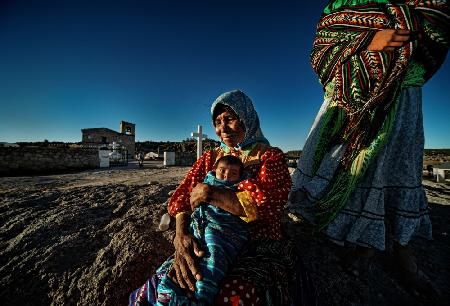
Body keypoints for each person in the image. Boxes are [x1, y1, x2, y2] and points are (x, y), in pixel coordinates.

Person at [288, 0, 448, 288]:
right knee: (344, 159)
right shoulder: (344, 4)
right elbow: (322, 47)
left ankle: (394, 245)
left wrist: (408, 29)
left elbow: (438, 20)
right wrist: (368, 40)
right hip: (349, 96)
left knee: (395, 164)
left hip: (402, 89)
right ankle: (351, 234)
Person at [130, 90, 316, 305]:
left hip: (255, 241)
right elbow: (182, 196)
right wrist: (180, 236)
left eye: (229, 119)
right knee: (165, 284)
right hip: (204, 236)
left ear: (246, 118)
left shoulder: (270, 156)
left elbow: (265, 207)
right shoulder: (211, 157)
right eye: (217, 122)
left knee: (229, 296)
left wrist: (210, 193)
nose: (222, 128)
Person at [156, 155, 249, 305]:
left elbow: (261, 205)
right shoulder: (208, 160)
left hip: (226, 230)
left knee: (214, 256)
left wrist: (212, 194)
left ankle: (203, 295)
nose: (226, 176)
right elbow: (184, 199)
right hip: (200, 226)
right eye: (222, 171)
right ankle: (169, 292)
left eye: (233, 174)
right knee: (182, 264)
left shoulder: (266, 160)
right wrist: (181, 232)